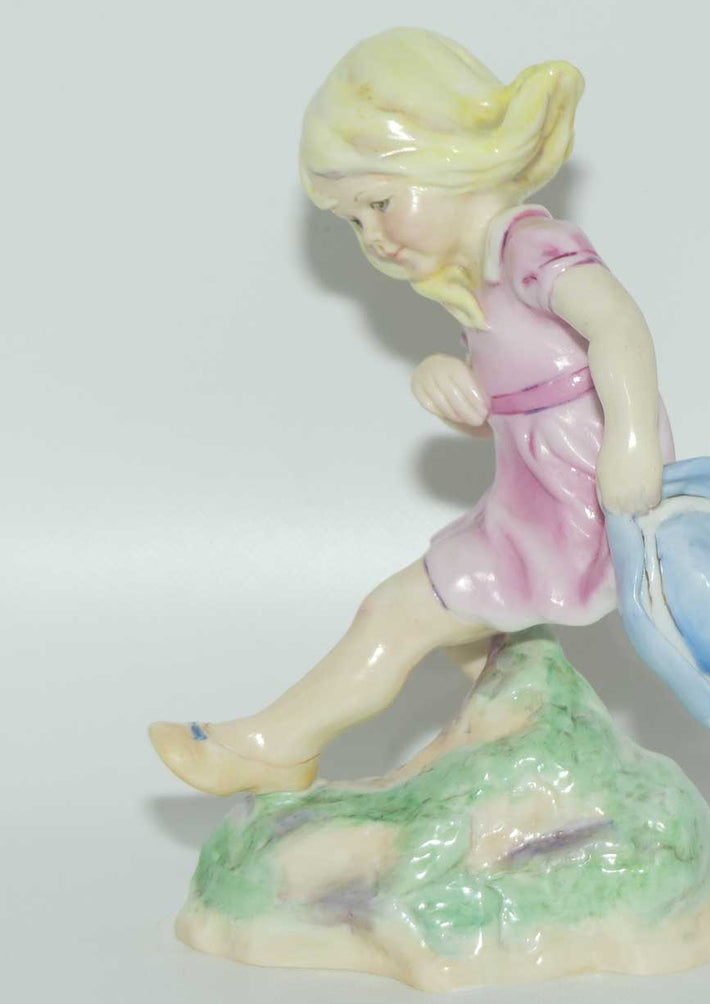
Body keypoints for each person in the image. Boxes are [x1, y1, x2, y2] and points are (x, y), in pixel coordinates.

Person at [149, 27, 675, 796]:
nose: (373, 237)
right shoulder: (481, 283)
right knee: (469, 633)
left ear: (449, 157)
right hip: (534, 495)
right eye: (353, 222)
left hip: (579, 496)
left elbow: (619, 326)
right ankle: (525, 736)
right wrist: (451, 382)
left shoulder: (530, 248)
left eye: (379, 203)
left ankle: (273, 746)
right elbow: (513, 399)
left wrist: (631, 443)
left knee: (396, 612)